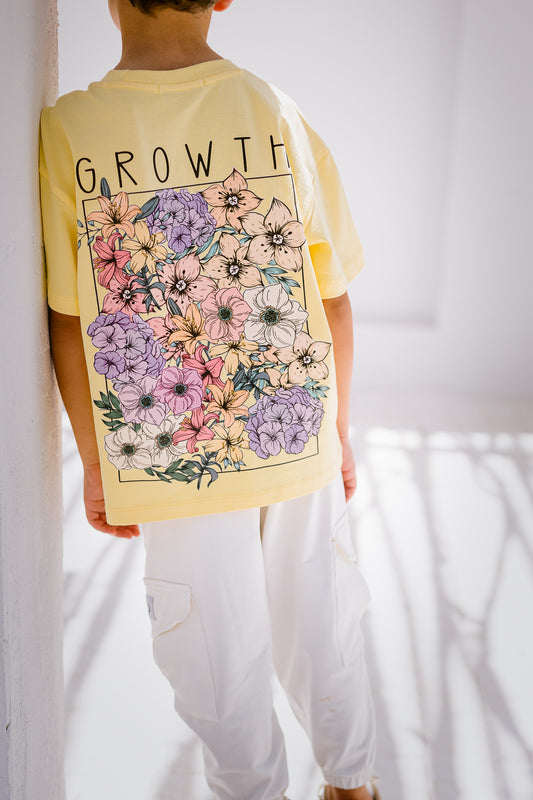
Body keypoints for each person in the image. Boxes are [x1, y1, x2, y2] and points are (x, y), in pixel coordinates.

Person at [39, 1, 382, 798]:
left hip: (165, 454)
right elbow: (330, 296)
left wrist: (96, 460)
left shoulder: (68, 132)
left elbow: (68, 320)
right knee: (322, 619)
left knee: (212, 659)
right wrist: (337, 425)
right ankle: (353, 784)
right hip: (292, 431)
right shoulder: (275, 111)